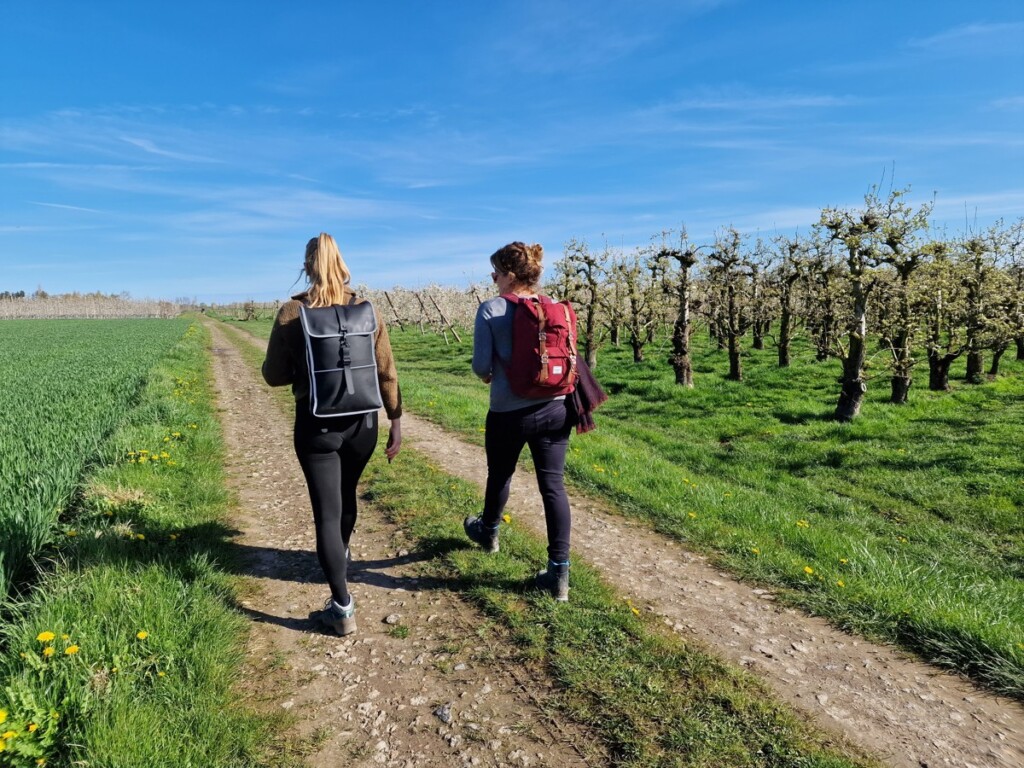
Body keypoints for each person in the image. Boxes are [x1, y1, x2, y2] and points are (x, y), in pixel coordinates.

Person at [262, 233, 402, 635]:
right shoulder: (366, 309)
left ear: (307, 267)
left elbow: (273, 376)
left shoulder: (292, 312)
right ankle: (341, 553)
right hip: (363, 424)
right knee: (347, 497)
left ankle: (342, 607)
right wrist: (396, 419)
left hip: (317, 424)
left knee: (326, 511)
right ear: (342, 264)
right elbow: (386, 371)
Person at [464, 241, 575, 601]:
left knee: (500, 474)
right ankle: (558, 574)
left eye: (495, 272)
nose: (493, 278)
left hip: (509, 412)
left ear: (510, 275)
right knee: (553, 486)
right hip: (557, 407)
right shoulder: (552, 306)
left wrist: (489, 372)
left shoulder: (491, 309)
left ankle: (488, 531)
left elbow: (481, 366)